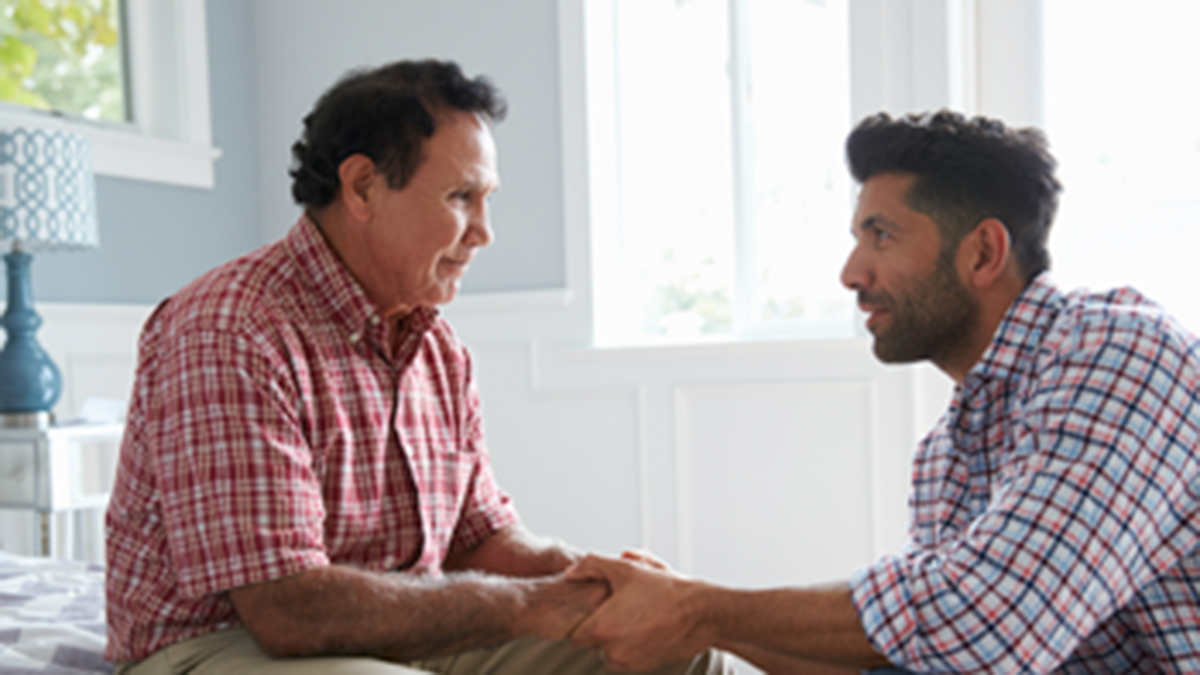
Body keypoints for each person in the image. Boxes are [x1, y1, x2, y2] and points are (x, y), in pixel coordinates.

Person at [104, 59, 728, 675]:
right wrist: (532, 606)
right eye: (461, 197)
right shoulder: (230, 329)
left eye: (487, 200)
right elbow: (286, 611)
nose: (484, 232)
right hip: (218, 644)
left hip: (397, 629)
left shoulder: (437, 348)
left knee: (679, 652)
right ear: (362, 187)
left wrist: (596, 579)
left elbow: (478, 537)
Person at [565, 110, 1200, 673]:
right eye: (857, 239)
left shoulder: (1122, 354)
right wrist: (686, 614)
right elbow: (920, 657)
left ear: (983, 253)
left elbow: (988, 623)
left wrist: (700, 609)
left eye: (882, 236)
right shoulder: (948, 453)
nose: (851, 273)